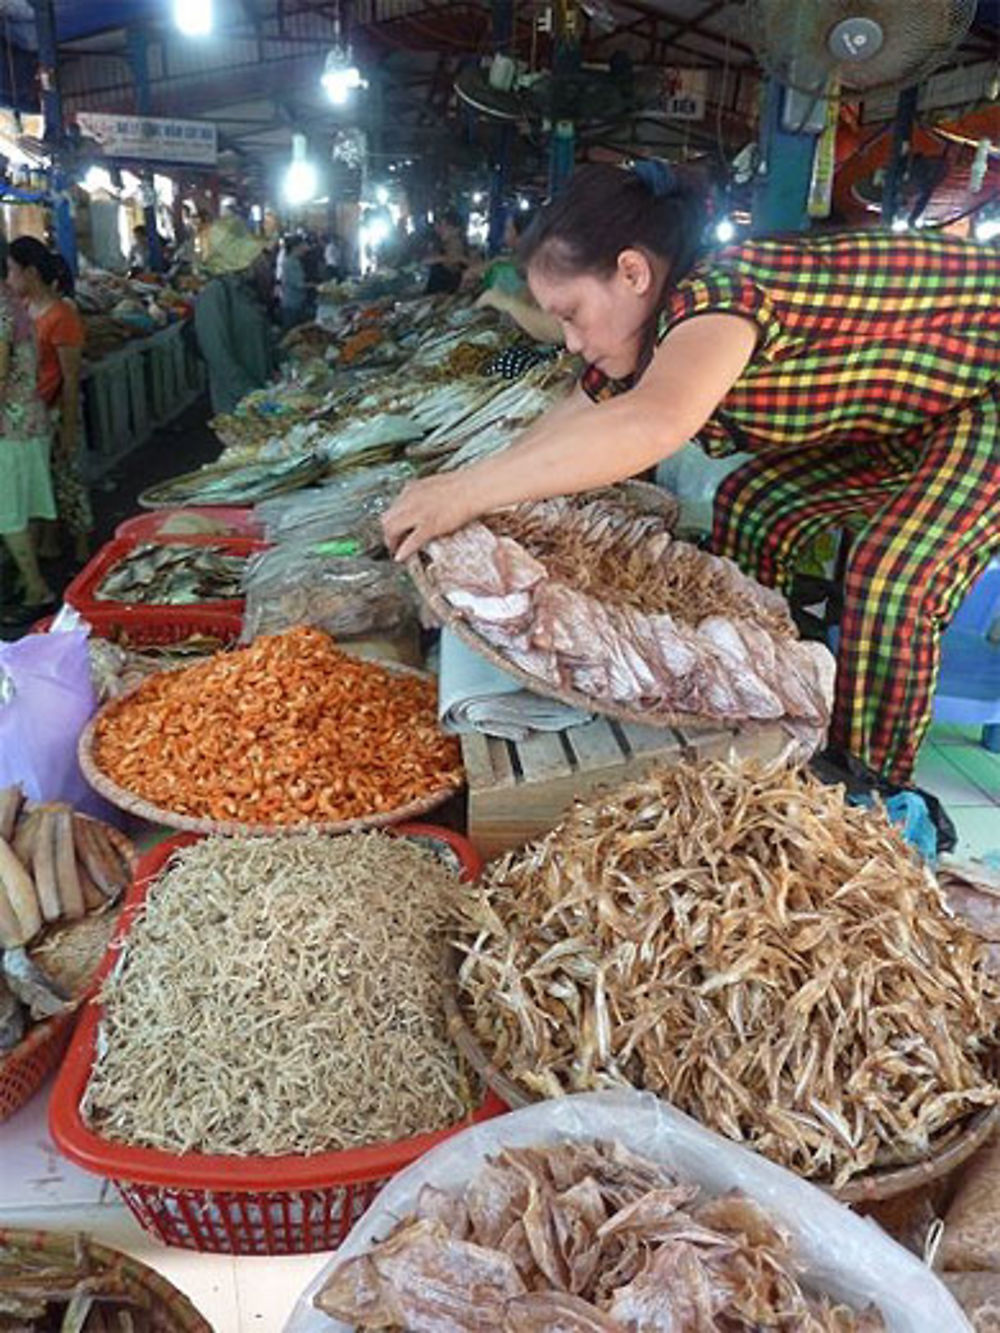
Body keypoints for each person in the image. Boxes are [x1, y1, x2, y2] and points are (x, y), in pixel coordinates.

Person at [382, 161, 1000, 788]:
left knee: (895, 575)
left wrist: (467, 493)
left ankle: (867, 780)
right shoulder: (647, 328)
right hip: (920, 406)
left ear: (631, 272)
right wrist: (467, 491)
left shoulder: (722, 295)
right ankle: (755, 691)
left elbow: (653, 421)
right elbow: (576, 413)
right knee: (754, 502)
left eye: (570, 313)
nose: (567, 341)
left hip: (987, 394)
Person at [7, 236, 92, 566]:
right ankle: (49, 541)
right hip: (35, 412)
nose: (9, 277)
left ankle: (84, 547)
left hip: (58, 408)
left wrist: (69, 426)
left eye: (12, 270)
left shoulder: (61, 315)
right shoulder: (25, 310)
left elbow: (71, 378)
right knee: (44, 479)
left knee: (69, 479)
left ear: (30, 272)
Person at [0, 251, 57, 623]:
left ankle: (37, 589)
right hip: (28, 418)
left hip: (11, 424)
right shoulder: (10, 301)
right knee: (25, 504)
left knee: (9, 511)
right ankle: (29, 579)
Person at [194, 218, 278, 415]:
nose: (260, 258)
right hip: (237, 403)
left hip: (260, 391)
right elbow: (218, 355)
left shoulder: (243, 291)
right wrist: (251, 394)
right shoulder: (214, 294)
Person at [424, 210, 468, 295]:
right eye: (439, 226)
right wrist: (445, 258)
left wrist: (461, 259)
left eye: (445, 226)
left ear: (456, 230)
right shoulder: (437, 251)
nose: (440, 230)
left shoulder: (470, 253)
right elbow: (423, 261)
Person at [279, 233, 312, 330]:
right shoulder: (289, 262)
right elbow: (299, 284)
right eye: (303, 245)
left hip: (297, 302)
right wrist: (315, 286)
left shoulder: (295, 261)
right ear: (295, 247)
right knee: (291, 332)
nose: (305, 248)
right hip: (291, 304)